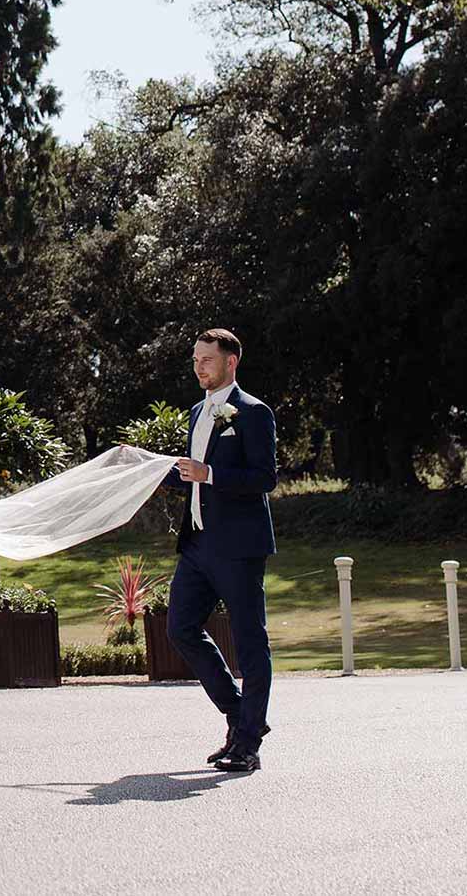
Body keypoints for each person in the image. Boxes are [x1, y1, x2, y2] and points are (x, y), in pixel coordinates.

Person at [164, 328, 280, 774]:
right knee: (180, 628)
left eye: (206, 360)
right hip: (196, 544)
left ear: (231, 362)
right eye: (195, 359)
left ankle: (247, 744)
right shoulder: (197, 411)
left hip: (238, 547)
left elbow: (264, 478)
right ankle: (240, 714)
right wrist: (148, 468)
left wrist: (208, 473)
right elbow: (190, 475)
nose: (199, 367)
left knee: (250, 641)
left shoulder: (253, 412)